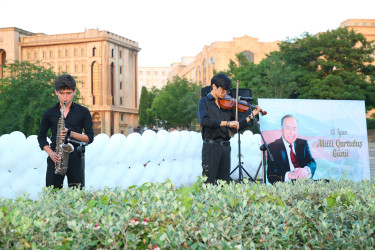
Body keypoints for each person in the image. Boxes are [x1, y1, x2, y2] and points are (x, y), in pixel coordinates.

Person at [197, 73, 261, 184]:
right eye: (222, 90)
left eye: (226, 91)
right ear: (214, 86)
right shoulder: (204, 102)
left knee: (224, 183)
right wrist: (226, 123)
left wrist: (252, 115)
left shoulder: (227, 105)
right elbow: (205, 121)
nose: (224, 93)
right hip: (211, 146)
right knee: (208, 181)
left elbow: (237, 125)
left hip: (225, 147)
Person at [37, 74, 94, 189]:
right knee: (52, 194)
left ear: (74, 92)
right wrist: (51, 153)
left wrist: (71, 133)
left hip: (75, 158)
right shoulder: (50, 113)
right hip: (56, 157)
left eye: (68, 93)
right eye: (62, 93)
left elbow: (90, 137)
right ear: (56, 92)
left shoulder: (83, 112)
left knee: (76, 195)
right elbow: (41, 137)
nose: (65, 98)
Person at [266, 114, 316, 184]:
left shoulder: (303, 144)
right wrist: (290, 175)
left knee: (327, 183)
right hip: (287, 187)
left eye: (294, 128)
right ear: (282, 129)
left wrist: (306, 170)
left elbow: (312, 162)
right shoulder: (273, 147)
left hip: (305, 184)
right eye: (288, 128)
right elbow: (271, 176)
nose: (292, 132)